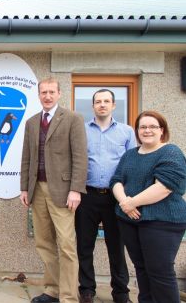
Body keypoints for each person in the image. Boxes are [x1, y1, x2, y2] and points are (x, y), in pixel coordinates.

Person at [20, 77, 87, 303]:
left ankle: (68, 297)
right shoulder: (31, 122)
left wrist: (76, 189)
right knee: (44, 242)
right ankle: (52, 290)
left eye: (51, 92)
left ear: (59, 94)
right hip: (37, 189)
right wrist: (24, 188)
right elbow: (26, 157)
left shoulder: (73, 119)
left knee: (67, 245)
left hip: (63, 190)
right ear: (38, 95)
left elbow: (80, 156)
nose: (47, 96)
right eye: (43, 92)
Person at [110, 110, 186, 303]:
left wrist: (130, 203)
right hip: (129, 220)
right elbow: (116, 180)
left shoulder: (171, 152)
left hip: (162, 221)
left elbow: (164, 187)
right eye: (143, 127)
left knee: (160, 271)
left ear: (162, 130)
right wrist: (124, 203)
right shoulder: (130, 155)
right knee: (141, 269)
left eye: (153, 126)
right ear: (137, 131)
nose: (147, 130)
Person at [75, 89, 136, 303]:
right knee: (84, 245)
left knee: (116, 247)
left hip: (115, 198)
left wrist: (129, 197)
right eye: (98, 101)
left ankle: (121, 293)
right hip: (87, 196)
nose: (102, 104)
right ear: (93, 106)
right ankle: (87, 290)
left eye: (106, 101)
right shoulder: (81, 131)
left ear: (113, 105)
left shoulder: (127, 132)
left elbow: (132, 164)